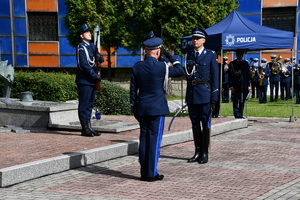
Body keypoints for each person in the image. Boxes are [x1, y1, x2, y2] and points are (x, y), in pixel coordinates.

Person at [130, 37, 184, 182]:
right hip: (157, 108)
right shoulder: (162, 67)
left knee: (144, 139)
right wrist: (171, 56)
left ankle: (143, 172)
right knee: (154, 141)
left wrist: (134, 108)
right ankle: (151, 173)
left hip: (142, 108)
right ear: (158, 51)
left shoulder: (137, 67)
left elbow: (133, 90)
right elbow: (180, 70)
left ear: (146, 51)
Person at [185, 27, 219, 164]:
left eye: (197, 38)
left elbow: (215, 76)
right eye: (193, 38)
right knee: (194, 124)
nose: (195, 40)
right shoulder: (189, 55)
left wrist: (215, 96)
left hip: (205, 93)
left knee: (205, 124)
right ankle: (197, 151)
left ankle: (205, 152)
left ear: (203, 40)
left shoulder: (211, 54)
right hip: (192, 94)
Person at [76, 24, 104, 137]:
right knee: (84, 104)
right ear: (82, 35)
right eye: (87, 32)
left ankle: (89, 127)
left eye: (90, 32)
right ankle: (84, 128)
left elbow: (101, 59)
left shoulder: (92, 46)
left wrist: (99, 58)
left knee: (90, 104)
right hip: (84, 80)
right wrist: (93, 75)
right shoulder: (81, 47)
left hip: (92, 81)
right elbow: (83, 64)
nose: (89, 34)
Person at [228, 49, 251, 118]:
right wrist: (231, 85)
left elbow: (248, 74)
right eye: (238, 54)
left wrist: (249, 85)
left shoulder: (245, 63)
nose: (239, 56)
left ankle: (241, 113)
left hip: (244, 84)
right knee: (235, 100)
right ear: (236, 55)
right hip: (235, 84)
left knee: (242, 100)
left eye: (240, 54)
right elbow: (230, 75)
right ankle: (236, 113)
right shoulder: (232, 63)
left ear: (242, 55)